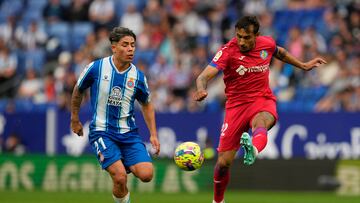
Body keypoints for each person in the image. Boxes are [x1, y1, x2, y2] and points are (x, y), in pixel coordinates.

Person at [193, 16, 327, 203]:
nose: (241, 41)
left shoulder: (266, 44)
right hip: (235, 107)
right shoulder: (227, 51)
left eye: (246, 37)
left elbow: (279, 52)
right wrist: (201, 89)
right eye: (239, 36)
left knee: (261, 121)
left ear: (257, 35)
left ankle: (253, 151)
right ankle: (218, 200)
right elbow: (203, 76)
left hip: (261, 99)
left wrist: (303, 65)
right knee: (223, 163)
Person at [70, 27, 160, 203]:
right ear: (113, 47)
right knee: (119, 177)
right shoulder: (96, 68)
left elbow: (147, 104)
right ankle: (119, 169)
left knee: (147, 174)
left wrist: (154, 134)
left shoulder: (138, 76)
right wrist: (75, 118)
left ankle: (120, 161)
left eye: (133, 45)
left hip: (129, 133)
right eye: (125, 45)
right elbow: (78, 90)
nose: (130, 49)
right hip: (102, 132)